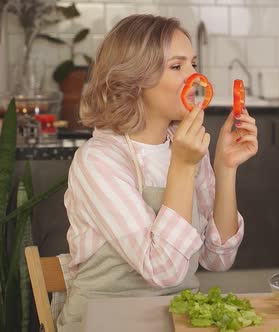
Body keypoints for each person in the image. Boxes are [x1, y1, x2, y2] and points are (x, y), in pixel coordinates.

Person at [57, 14, 258, 331]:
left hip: (177, 318)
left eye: (193, 64)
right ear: (135, 80)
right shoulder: (98, 161)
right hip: (103, 322)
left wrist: (225, 167)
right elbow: (162, 270)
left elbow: (217, 259)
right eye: (177, 67)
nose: (194, 77)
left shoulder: (185, 148)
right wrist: (182, 166)